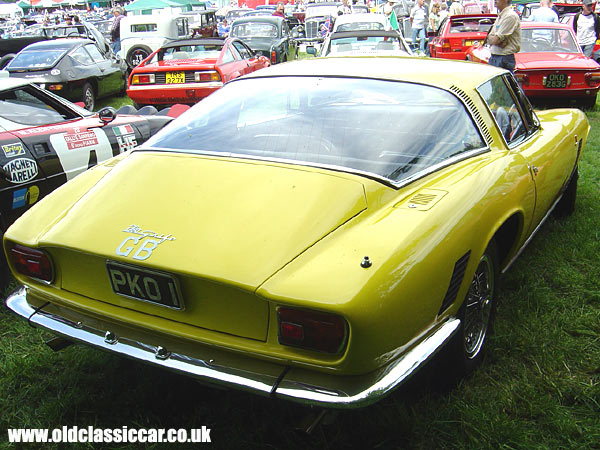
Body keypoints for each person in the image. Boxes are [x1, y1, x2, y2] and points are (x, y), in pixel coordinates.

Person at [487, 0, 521, 73]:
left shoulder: (510, 16)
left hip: (504, 58)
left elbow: (495, 40)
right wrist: (497, 41)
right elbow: (489, 37)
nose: (495, 0)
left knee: (502, 84)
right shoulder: (500, 16)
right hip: (495, 57)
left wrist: (496, 39)